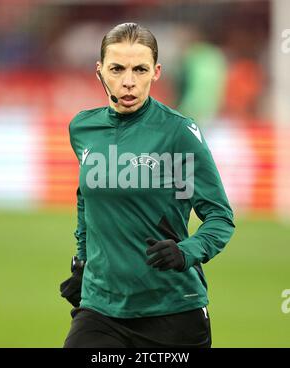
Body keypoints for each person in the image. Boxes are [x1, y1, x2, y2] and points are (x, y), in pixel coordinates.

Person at [60, 22, 235, 348]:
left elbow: (220, 217)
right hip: (101, 309)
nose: (128, 81)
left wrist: (186, 252)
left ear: (156, 72)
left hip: (173, 310)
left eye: (139, 69)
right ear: (100, 71)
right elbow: (86, 198)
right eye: (117, 69)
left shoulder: (178, 133)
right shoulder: (83, 129)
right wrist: (82, 261)